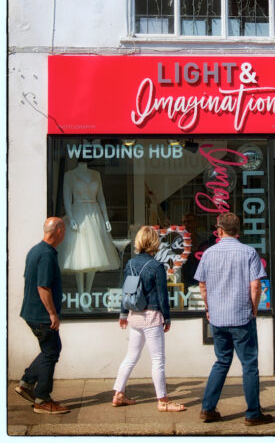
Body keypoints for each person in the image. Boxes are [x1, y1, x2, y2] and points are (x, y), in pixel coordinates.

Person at [194, 212, 273, 427]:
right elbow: (255, 286)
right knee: (249, 365)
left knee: (221, 362)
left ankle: (208, 409)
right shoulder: (248, 252)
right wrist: (254, 309)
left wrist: (209, 308)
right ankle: (253, 413)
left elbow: (202, 285)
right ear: (239, 230)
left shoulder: (209, 254)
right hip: (241, 317)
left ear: (219, 230)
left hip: (218, 318)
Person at [112, 226, 186, 412]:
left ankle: (118, 394)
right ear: (155, 243)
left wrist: (123, 314)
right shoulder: (156, 266)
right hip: (152, 317)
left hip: (134, 316)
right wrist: (167, 318)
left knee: (130, 357)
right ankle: (163, 400)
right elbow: (163, 296)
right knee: (158, 360)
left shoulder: (129, 264)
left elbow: (126, 291)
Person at [16, 217, 71, 415]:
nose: (64, 234)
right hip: (41, 315)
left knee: (50, 349)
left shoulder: (35, 250)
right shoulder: (47, 255)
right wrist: (52, 314)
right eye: (63, 230)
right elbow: (42, 287)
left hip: (31, 312)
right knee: (51, 351)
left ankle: (27, 382)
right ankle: (42, 399)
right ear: (57, 231)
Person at [59, 161, 119, 311]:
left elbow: (102, 198)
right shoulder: (69, 175)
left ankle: (88, 294)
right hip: (78, 213)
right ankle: (81, 297)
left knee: (95, 255)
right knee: (80, 256)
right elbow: (67, 198)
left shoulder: (96, 174)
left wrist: (106, 219)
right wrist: (71, 217)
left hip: (94, 213)